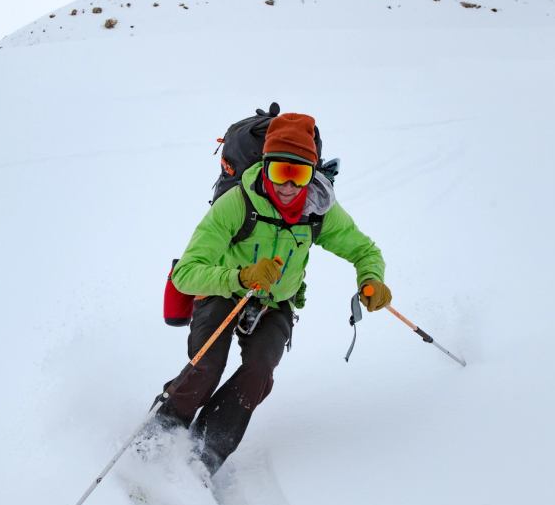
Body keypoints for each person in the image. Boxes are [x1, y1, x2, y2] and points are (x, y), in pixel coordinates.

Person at [152, 112, 391, 473]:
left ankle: (203, 459)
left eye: (299, 174)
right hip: (225, 290)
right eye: (280, 171)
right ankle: (158, 439)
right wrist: (241, 277)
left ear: (313, 174)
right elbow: (186, 274)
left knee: (258, 374)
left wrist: (370, 279)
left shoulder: (318, 211)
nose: (288, 186)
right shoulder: (238, 203)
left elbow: (364, 250)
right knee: (206, 367)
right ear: (265, 167)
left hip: (275, 302)